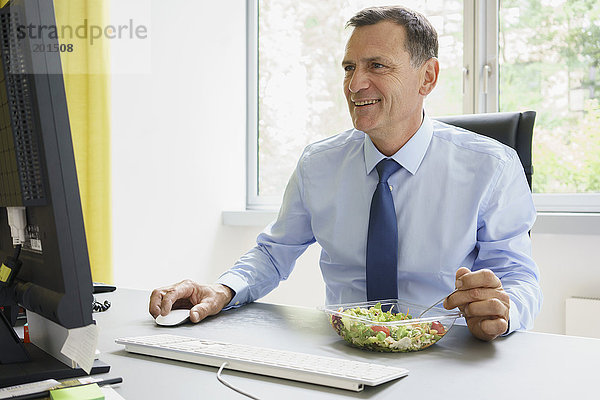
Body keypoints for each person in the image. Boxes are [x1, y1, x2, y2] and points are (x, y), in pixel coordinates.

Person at [149, 6, 542, 341]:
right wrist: (223, 288)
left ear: (428, 77)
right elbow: (274, 253)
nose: (355, 84)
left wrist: (504, 311)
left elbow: (518, 278)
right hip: (344, 353)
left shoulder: (492, 166)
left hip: (449, 354)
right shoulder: (319, 163)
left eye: (377, 66)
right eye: (349, 67)